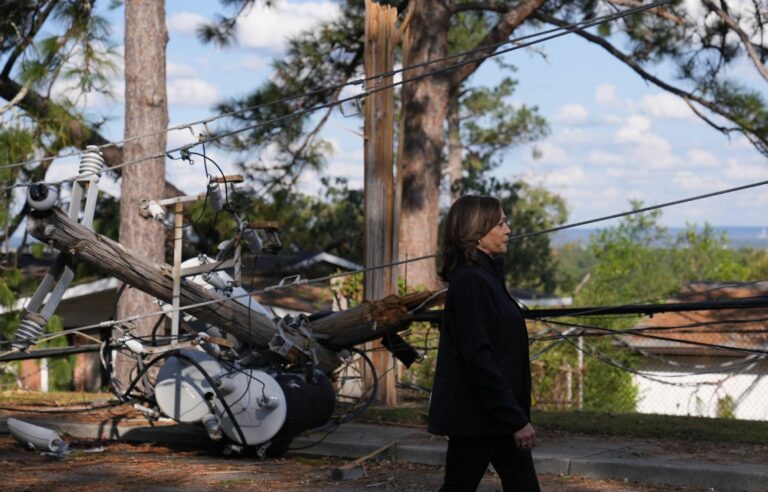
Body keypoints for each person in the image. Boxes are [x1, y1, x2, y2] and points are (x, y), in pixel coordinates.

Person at [428, 195, 540, 491]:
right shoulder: (471, 281)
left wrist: (511, 415)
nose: (509, 229)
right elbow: (479, 359)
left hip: (495, 415)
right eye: (501, 222)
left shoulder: (486, 277)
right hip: (477, 419)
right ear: (477, 232)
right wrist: (515, 419)